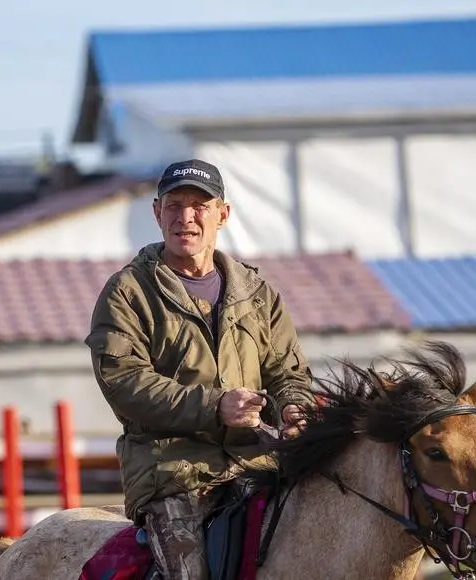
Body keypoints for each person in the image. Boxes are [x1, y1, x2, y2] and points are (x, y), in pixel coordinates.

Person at [85, 159, 316, 580]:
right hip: (173, 473)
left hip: (261, 463)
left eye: (200, 205)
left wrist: (293, 408)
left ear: (222, 215)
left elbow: (289, 373)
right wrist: (215, 407)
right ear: (157, 213)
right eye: (174, 205)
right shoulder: (128, 292)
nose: (186, 217)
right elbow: (123, 380)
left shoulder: (259, 294)